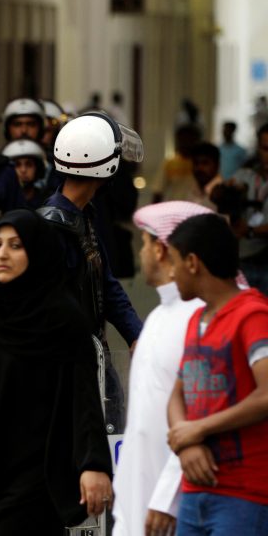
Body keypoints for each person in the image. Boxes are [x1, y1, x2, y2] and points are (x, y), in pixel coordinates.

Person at [0, 209, 112, 535]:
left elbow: (83, 396)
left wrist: (93, 464)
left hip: (41, 466)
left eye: (15, 245)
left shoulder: (63, 318)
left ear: (37, 251)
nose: (2, 253)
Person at [38, 112, 144, 433]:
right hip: (63, 365)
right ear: (105, 169)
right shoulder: (51, 227)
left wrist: (136, 333)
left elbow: (106, 284)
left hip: (94, 354)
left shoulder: (84, 216)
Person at [111, 201, 211, 536]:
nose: (140, 252)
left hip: (173, 507)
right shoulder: (157, 318)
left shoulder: (200, 319)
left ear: (162, 249)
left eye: (144, 243)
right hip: (135, 501)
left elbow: (198, 415)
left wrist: (167, 498)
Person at [166, 213, 268, 535]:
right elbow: (178, 393)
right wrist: (186, 442)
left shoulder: (253, 315)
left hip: (243, 494)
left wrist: (198, 430)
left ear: (193, 262)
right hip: (195, 491)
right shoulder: (196, 319)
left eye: (174, 262)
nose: (171, 273)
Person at [227, 123, 268, 295]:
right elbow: (220, 196)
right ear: (258, 149)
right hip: (244, 262)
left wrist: (250, 230)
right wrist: (230, 194)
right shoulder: (245, 176)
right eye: (266, 148)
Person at [1, 138, 49, 208]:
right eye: (17, 165)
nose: (23, 170)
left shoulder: (47, 202)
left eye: (29, 164)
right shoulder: (0, 203)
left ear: (38, 169)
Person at [189, 142, 223, 210]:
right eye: (196, 163)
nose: (199, 168)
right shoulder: (189, 189)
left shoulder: (224, 193)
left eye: (205, 163)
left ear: (217, 165)